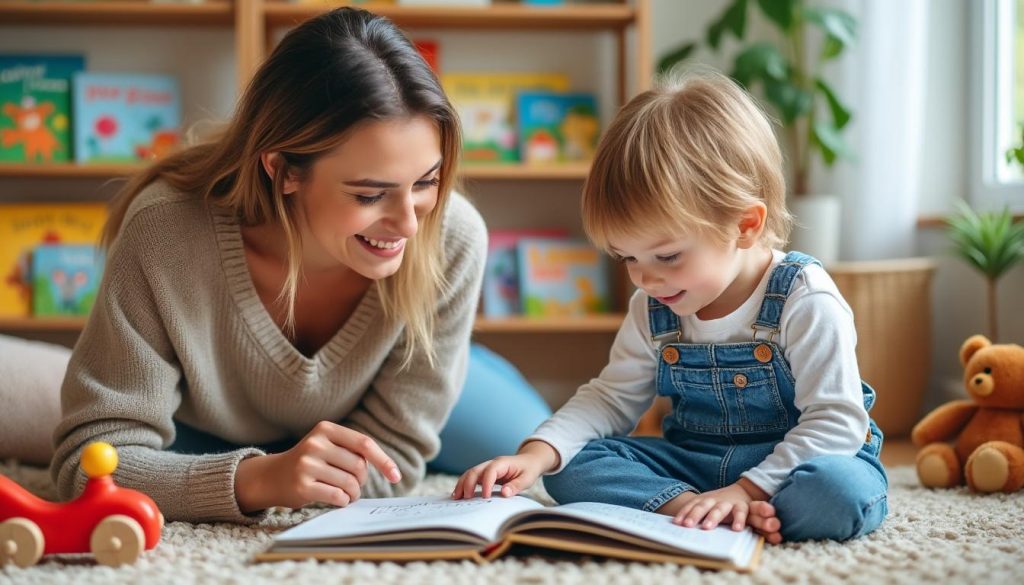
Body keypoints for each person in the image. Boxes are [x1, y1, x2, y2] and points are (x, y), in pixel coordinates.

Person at [47, 7, 494, 524]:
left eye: (425, 182)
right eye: (371, 194)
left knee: (533, 447)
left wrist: (317, 478)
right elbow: (90, 467)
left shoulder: (454, 236)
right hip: (208, 426)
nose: (410, 226)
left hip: (407, 379)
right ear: (282, 170)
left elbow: (396, 455)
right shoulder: (166, 232)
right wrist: (258, 479)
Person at [454, 71, 888, 544]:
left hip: (800, 461)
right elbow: (611, 398)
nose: (644, 278)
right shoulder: (653, 306)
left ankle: (739, 507)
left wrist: (749, 488)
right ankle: (694, 510)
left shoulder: (805, 298)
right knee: (572, 467)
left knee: (838, 492)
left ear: (744, 225)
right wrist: (536, 454)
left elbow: (836, 422)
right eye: (627, 258)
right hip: (695, 463)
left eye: (666, 256)